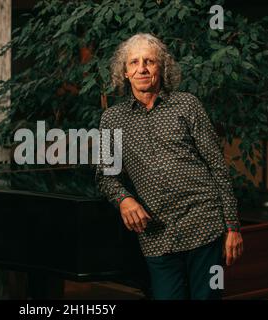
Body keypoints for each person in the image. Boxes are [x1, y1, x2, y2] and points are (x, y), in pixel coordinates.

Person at [95, 33, 244, 300]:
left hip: (204, 225)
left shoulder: (187, 105)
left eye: (149, 61)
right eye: (134, 63)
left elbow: (217, 166)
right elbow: (106, 175)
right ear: (125, 72)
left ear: (161, 68)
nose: (142, 68)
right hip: (157, 235)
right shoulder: (111, 119)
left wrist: (232, 226)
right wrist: (124, 200)